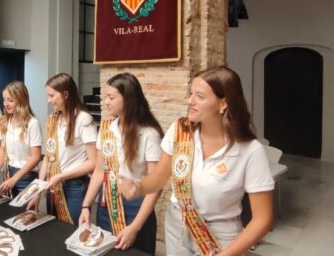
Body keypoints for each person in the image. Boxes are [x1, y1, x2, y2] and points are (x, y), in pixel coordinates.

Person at [120, 66, 275, 256]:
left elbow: (263, 219)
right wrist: (138, 186)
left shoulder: (250, 151)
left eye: (200, 96)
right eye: (191, 93)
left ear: (223, 103)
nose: (190, 101)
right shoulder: (180, 131)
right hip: (176, 225)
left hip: (220, 236)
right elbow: (159, 177)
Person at [78, 73, 162, 254]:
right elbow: (100, 171)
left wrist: (135, 227)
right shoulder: (107, 128)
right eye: (105, 97)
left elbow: (155, 185)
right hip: (106, 204)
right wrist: (86, 205)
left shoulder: (149, 133)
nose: (106, 102)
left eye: (111, 97)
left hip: (136, 206)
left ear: (129, 99)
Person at [27, 73, 97, 225]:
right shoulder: (54, 119)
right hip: (54, 183)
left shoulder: (84, 119)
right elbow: (48, 157)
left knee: (72, 230)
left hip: (74, 186)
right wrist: (38, 188)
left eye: (52, 95)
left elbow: (93, 162)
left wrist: (61, 176)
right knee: (54, 229)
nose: (48, 100)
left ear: (65, 94)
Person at [0, 81, 42, 197]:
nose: (6, 104)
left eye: (10, 100)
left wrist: (16, 178)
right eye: (4, 99)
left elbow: (36, 157)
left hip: (27, 176)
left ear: (21, 100)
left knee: (25, 213)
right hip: (9, 173)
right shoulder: (5, 121)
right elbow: (2, 151)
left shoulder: (33, 123)